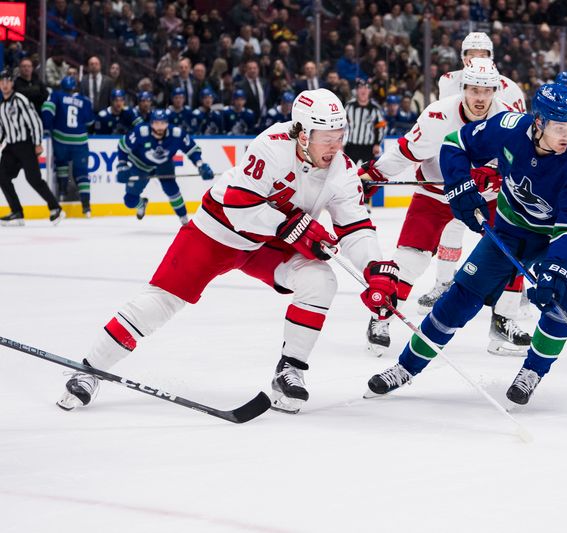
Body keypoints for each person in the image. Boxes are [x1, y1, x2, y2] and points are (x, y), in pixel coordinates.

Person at [57, 89, 398, 415]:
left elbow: (355, 228)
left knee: (320, 280)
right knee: (160, 302)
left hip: (266, 245)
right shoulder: (271, 146)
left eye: (340, 136)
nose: (336, 146)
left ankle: (289, 370)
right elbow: (238, 205)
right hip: (217, 231)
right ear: (303, 134)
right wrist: (291, 226)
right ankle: (88, 369)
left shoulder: (342, 169)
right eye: (328, 138)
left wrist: (375, 271)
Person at [367, 84, 567, 407]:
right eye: (559, 127)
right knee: (460, 296)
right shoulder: (508, 128)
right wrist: (459, 185)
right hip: (513, 227)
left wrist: (555, 270)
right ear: (538, 122)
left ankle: (532, 371)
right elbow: (455, 144)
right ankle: (406, 366)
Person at [358, 58, 527, 356]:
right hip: (436, 196)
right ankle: (380, 316)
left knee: (511, 250)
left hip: (484, 200)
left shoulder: (508, 119)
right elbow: (406, 151)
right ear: (463, 88)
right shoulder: (437, 116)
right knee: (410, 259)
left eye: (486, 91)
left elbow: (520, 165)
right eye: (474, 90)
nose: (480, 98)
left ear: (495, 91)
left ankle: (504, 320)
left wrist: (498, 176)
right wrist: (375, 173)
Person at [418, 31, 528, 321]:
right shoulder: (447, 81)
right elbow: (452, 124)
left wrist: (497, 170)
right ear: (463, 56)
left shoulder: (510, 88)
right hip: (462, 161)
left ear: (491, 58)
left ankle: (512, 294)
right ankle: (443, 282)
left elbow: (518, 134)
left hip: (495, 171)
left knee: (513, 231)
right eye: (471, 53)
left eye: (483, 54)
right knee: (452, 225)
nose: (476, 58)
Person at [116, 109, 214, 225]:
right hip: (141, 165)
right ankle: (141, 204)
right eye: (156, 123)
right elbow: (123, 146)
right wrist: (122, 165)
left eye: (162, 123)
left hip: (164, 165)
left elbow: (192, 149)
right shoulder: (141, 132)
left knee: (172, 190)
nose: (159, 127)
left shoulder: (176, 134)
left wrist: (200, 164)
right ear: (151, 123)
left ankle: (184, 219)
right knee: (130, 201)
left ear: (167, 123)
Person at [0, 69, 65, 226]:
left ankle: (56, 208)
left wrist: (37, 143)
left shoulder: (20, 99)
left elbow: (34, 121)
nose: (5, 84)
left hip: (26, 145)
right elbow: (2, 129)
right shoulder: (1, 106)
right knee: (2, 176)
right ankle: (17, 212)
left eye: (8, 81)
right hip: (11, 148)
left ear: (13, 83)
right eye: (2, 82)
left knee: (33, 179)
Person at [40, 76, 95, 217]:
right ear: (74, 87)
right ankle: (86, 207)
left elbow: (47, 110)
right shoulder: (84, 100)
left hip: (61, 139)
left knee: (62, 164)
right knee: (82, 173)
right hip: (80, 141)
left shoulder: (56, 95)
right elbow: (90, 122)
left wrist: (46, 128)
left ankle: (63, 194)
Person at [344, 78, 386, 165]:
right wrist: (341, 143)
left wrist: (377, 144)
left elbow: (381, 126)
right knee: (347, 170)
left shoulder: (375, 108)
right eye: (360, 88)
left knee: (367, 173)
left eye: (366, 88)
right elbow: (342, 125)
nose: (363, 90)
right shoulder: (349, 106)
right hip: (351, 146)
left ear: (369, 91)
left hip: (368, 147)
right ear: (356, 91)